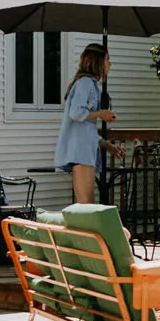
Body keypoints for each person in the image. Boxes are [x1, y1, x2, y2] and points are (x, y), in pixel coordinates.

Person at [56, 42, 116, 204]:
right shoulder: (85, 83)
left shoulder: (91, 85)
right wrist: (100, 114)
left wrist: (106, 145)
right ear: (98, 62)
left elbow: (85, 130)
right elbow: (75, 113)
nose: (110, 64)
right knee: (86, 205)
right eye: (107, 59)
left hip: (84, 152)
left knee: (87, 204)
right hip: (80, 153)